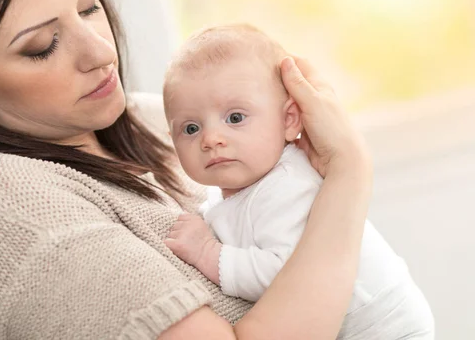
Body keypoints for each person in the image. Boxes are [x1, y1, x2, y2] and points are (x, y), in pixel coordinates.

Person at [0, 0, 372, 338]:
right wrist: (348, 174)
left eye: (88, 6)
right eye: (42, 46)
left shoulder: (159, 124)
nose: (99, 51)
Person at [163, 24, 435, 339]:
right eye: (191, 128)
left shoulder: (286, 185)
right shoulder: (224, 191)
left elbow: (285, 276)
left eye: (235, 118)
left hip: (384, 326)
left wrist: (207, 252)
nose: (211, 139)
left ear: (289, 119)